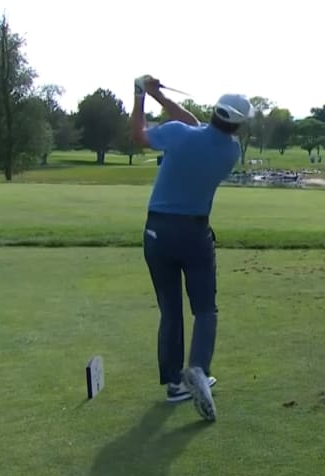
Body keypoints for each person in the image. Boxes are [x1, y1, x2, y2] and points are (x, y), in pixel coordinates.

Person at [130, 74, 253, 421]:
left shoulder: (178, 135)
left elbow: (140, 135)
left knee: (170, 310)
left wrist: (141, 95)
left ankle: (174, 384)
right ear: (238, 125)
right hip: (195, 234)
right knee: (205, 309)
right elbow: (196, 127)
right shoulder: (230, 151)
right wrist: (159, 97)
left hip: (156, 231)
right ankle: (198, 367)